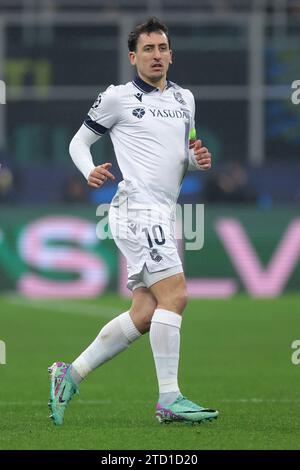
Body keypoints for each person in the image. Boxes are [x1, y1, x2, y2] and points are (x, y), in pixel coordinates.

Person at [48, 17, 218, 426]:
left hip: (163, 210)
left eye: (162, 48)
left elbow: (181, 156)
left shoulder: (185, 99)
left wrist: (196, 161)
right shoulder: (117, 98)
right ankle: (169, 400)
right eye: (148, 49)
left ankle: (69, 374)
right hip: (136, 208)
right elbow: (79, 141)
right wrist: (88, 170)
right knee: (175, 295)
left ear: (171, 54)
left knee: (145, 311)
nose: (156, 55)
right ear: (133, 57)